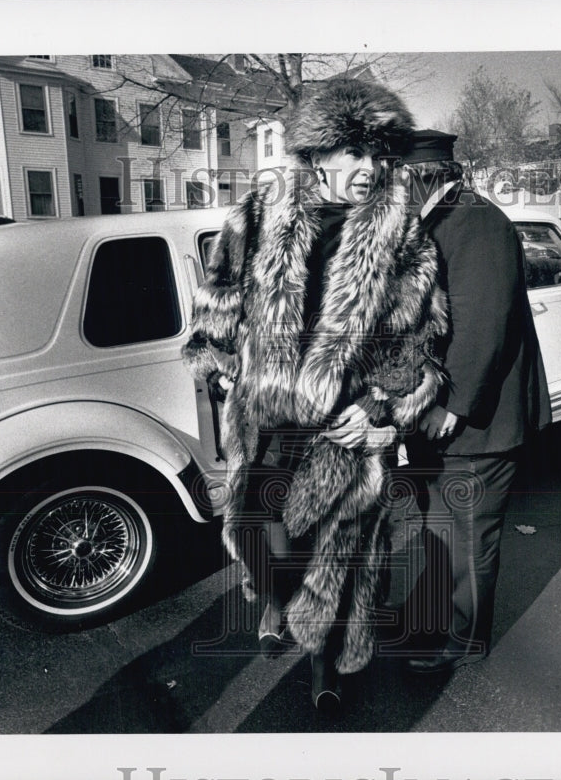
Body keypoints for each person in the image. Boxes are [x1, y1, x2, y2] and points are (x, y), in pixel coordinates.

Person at [182, 80, 448, 712]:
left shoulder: (401, 233)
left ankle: (324, 668)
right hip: (267, 415)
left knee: (339, 551)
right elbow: (218, 292)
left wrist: (381, 407)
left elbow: (419, 335)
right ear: (318, 154)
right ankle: (275, 600)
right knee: (257, 527)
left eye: (378, 156)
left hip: (340, 426)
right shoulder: (260, 211)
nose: (368, 169)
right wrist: (216, 355)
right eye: (353, 153)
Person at [399, 129, 552, 673]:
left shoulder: (479, 222)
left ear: (419, 175)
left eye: (395, 177)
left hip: (477, 421)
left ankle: (464, 642)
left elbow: (484, 327)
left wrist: (450, 405)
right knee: (441, 528)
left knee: (468, 536)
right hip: (439, 416)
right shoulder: (437, 221)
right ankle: (437, 620)